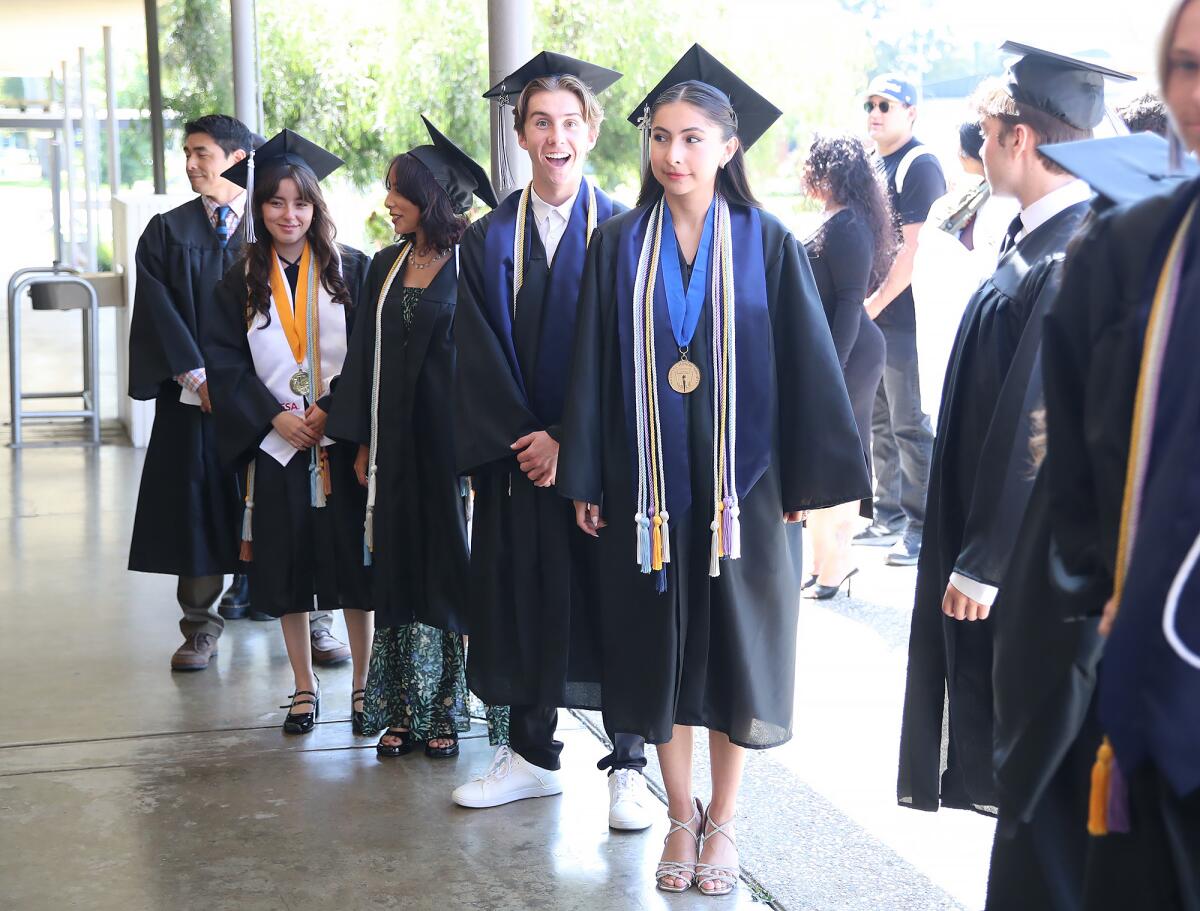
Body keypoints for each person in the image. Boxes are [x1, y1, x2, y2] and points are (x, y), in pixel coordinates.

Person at [557, 45, 871, 895]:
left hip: (747, 491)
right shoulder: (620, 243)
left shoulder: (768, 243)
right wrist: (586, 474)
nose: (673, 155)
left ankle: (724, 821)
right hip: (648, 492)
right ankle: (678, 813)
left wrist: (805, 487)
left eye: (692, 138)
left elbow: (811, 366)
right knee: (657, 649)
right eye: (660, 137)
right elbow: (590, 365)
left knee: (735, 652)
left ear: (729, 147)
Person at [985, 5, 1200, 905]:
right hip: (1156, 694)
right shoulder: (1132, 249)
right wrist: (1107, 587)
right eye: (1186, 63)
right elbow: (1073, 467)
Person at [896, 46, 1133, 817]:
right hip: (1010, 542)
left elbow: (1035, 417)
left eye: (987, 130)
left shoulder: (1065, 252)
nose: (982, 145)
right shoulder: (1038, 237)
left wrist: (985, 559)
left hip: (1028, 554)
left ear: (1019, 138)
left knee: (1022, 749)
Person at [451, 51, 654, 831]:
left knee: (616, 605)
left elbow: (633, 356)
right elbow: (474, 352)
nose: (556, 136)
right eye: (541, 122)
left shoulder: (630, 232)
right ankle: (531, 756)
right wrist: (526, 442)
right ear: (521, 133)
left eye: (570, 121)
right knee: (525, 600)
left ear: (592, 131)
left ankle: (628, 768)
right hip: (517, 464)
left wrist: (573, 441)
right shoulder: (487, 239)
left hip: (602, 464)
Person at [127, 114, 348, 671]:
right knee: (199, 509)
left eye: (201, 152)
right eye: (187, 152)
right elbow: (158, 310)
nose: (190, 163)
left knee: (301, 506)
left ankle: (318, 621)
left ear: (235, 157)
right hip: (196, 401)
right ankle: (200, 626)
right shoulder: (167, 230)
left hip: (281, 408)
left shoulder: (275, 222)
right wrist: (199, 378)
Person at [327, 117, 504, 757]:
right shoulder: (383, 265)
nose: (388, 202)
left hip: (452, 451)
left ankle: (445, 714)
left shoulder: (474, 264)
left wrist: (483, 449)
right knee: (398, 570)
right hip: (394, 448)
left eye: (398, 190)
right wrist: (364, 442)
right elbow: (364, 356)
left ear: (432, 196)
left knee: (448, 573)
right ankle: (402, 709)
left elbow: (489, 360)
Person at [205, 130, 372, 734]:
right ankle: (303, 686)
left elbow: (373, 356)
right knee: (289, 565)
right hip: (276, 447)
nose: (288, 214)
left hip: (340, 440)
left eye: (299, 203)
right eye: (275, 203)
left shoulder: (351, 268)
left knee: (354, 565)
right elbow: (224, 363)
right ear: (260, 208)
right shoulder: (239, 279)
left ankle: (362, 682)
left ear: (315, 207)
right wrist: (273, 416)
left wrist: (333, 408)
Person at [855, 73, 945, 566]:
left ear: (911, 112)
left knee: (910, 423)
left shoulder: (920, 164)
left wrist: (871, 306)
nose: (874, 112)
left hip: (903, 317)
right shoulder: (874, 162)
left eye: (886, 105)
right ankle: (886, 514)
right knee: (880, 421)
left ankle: (922, 526)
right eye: (869, 103)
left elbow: (912, 252)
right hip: (875, 315)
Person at [800, 133, 894, 598]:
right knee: (830, 453)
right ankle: (824, 562)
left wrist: (830, 371)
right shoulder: (837, 219)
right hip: (838, 350)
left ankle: (835, 566)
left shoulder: (849, 225)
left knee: (840, 455)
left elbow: (850, 302)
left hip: (849, 353)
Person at [912, 118, 1019, 425]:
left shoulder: (957, 205)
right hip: (967, 336)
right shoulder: (1007, 204)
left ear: (961, 154)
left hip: (952, 334)